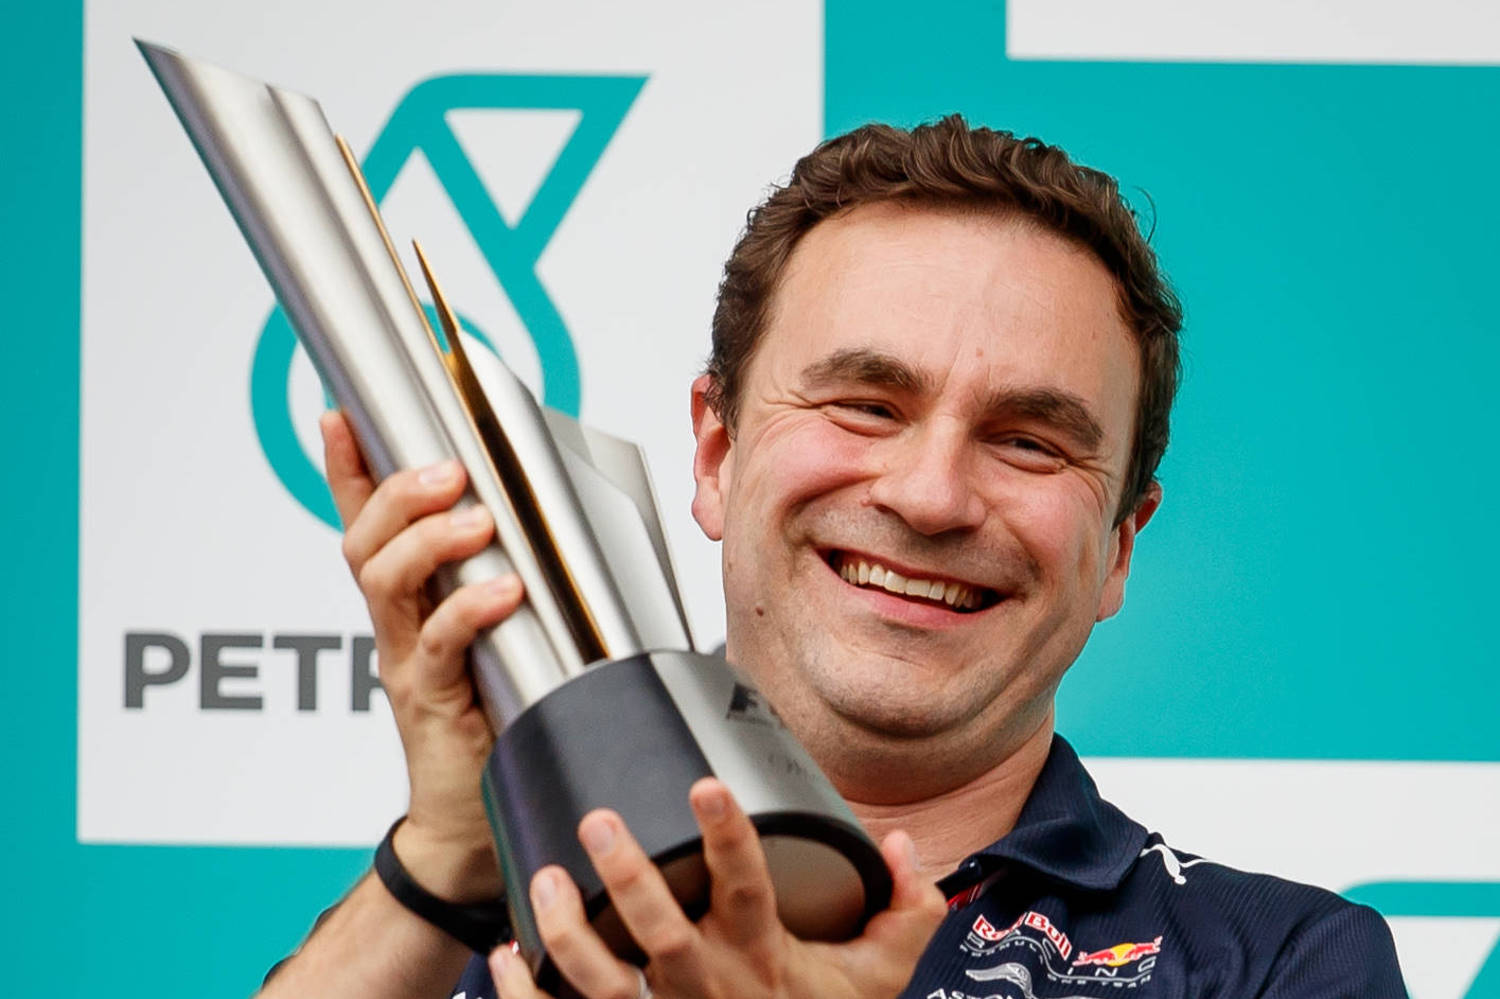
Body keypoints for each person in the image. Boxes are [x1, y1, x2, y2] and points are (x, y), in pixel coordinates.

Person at [258, 115, 1407, 999]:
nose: (930, 495)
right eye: (866, 404)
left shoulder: (1280, 966)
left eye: (1028, 440)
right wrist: (449, 857)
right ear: (717, 453)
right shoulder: (498, 928)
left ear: (1119, 546)